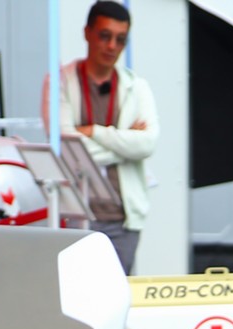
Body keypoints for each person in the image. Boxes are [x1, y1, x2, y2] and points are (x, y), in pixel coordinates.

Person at [51, 0, 157, 273]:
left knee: (118, 299)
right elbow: (66, 148)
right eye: (105, 36)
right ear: (87, 33)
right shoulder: (61, 82)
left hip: (123, 218)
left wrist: (95, 132)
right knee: (77, 298)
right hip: (76, 213)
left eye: (120, 40)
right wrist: (124, 142)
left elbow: (147, 143)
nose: (112, 47)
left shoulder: (137, 87)